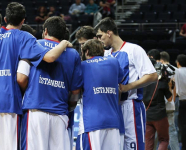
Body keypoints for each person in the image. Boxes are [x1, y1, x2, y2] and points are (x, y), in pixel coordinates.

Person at [0, 2, 69, 150]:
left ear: (5, 19)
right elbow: (50, 57)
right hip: (9, 102)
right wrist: (63, 44)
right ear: (23, 20)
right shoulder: (25, 37)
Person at [19, 16, 83, 150]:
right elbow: (76, 92)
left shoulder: (34, 44)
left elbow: (21, 78)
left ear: (45, 31)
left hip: (35, 110)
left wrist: (28, 91)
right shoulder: (73, 54)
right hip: (60, 114)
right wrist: (70, 106)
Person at [95, 17, 158, 150]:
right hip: (111, 107)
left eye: (100, 35)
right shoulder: (106, 54)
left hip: (131, 105)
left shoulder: (134, 49)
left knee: (133, 145)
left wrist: (128, 87)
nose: (99, 39)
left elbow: (152, 75)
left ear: (109, 32)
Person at [76, 25, 125, 150]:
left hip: (92, 123)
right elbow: (121, 79)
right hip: (113, 122)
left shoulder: (83, 66)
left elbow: (75, 89)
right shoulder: (113, 61)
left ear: (86, 52)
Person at [143, 58, 172, 150]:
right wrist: (170, 85)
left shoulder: (141, 80)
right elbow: (170, 99)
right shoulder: (161, 82)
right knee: (164, 140)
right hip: (159, 115)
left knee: (148, 140)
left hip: (146, 114)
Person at [160, 51, 180, 150]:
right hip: (170, 102)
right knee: (172, 130)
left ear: (161, 60)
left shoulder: (158, 69)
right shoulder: (175, 70)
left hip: (159, 104)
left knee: (156, 130)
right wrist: (172, 102)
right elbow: (175, 89)